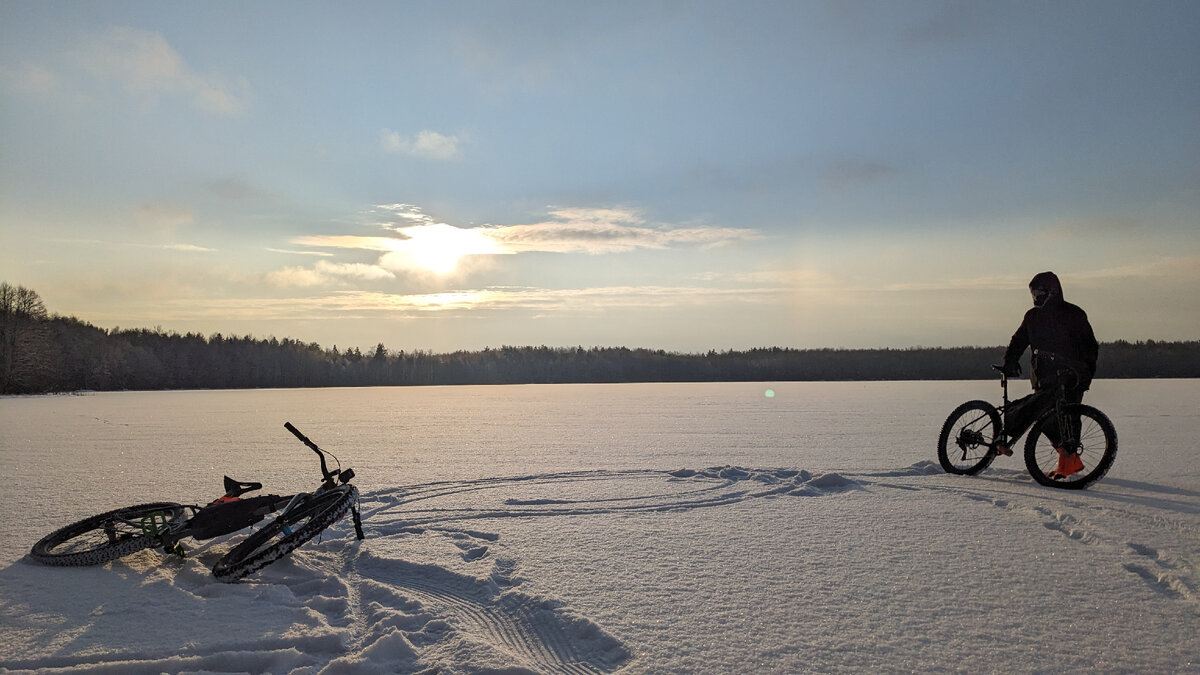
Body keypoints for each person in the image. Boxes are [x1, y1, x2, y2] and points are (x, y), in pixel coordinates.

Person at [996, 271, 1099, 479]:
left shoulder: (1074, 313)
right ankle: (1067, 460)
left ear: (1053, 291)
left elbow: (1090, 346)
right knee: (1046, 418)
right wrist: (1010, 361)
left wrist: (1085, 370)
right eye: (1033, 294)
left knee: (1070, 419)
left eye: (1040, 293)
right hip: (1043, 376)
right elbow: (1018, 341)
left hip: (1072, 376)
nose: (1036, 298)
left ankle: (1068, 462)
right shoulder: (1032, 316)